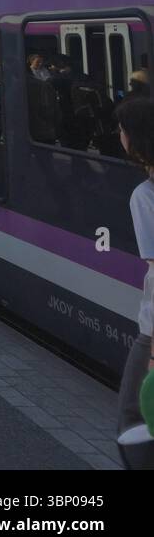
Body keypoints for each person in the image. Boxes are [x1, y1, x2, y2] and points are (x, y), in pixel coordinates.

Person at [115, 97, 154, 466]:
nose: (119, 136)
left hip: (153, 330)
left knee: (133, 418)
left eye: (123, 130)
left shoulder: (145, 196)